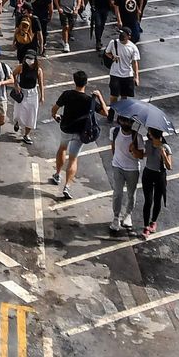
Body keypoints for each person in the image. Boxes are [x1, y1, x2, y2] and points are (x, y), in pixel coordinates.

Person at [47, 71, 105, 199]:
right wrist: (99, 97)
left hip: (66, 128)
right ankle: (67, 186)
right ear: (86, 82)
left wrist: (55, 116)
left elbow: (54, 109)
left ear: (74, 81)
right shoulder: (90, 100)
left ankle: (57, 174)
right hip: (81, 132)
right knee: (73, 158)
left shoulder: (67, 94)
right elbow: (106, 113)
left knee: (62, 149)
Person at [108, 117, 145, 236]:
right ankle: (116, 217)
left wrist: (134, 150)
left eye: (128, 121)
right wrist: (116, 160)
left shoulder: (137, 137)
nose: (126, 123)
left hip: (132, 169)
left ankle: (128, 215)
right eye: (123, 121)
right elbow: (113, 147)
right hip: (117, 167)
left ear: (132, 123)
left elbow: (140, 156)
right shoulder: (114, 131)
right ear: (119, 121)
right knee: (117, 193)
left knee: (131, 193)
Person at [140, 127, 172, 235]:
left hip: (159, 175)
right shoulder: (148, 143)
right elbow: (143, 155)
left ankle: (153, 221)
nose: (148, 133)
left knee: (157, 200)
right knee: (148, 201)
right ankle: (145, 226)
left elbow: (169, 166)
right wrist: (134, 149)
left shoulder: (165, 147)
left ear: (152, 134)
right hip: (148, 173)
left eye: (149, 132)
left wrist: (163, 154)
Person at [105, 33, 141, 100]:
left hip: (127, 75)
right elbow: (107, 52)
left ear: (128, 37)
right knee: (113, 96)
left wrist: (136, 77)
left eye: (124, 36)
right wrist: (112, 57)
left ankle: (122, 110)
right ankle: (113, 109)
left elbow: (134, 62)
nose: (121, 37)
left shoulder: (133, 48)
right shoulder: (113, 42)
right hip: (115, 73)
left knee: (124, 96)